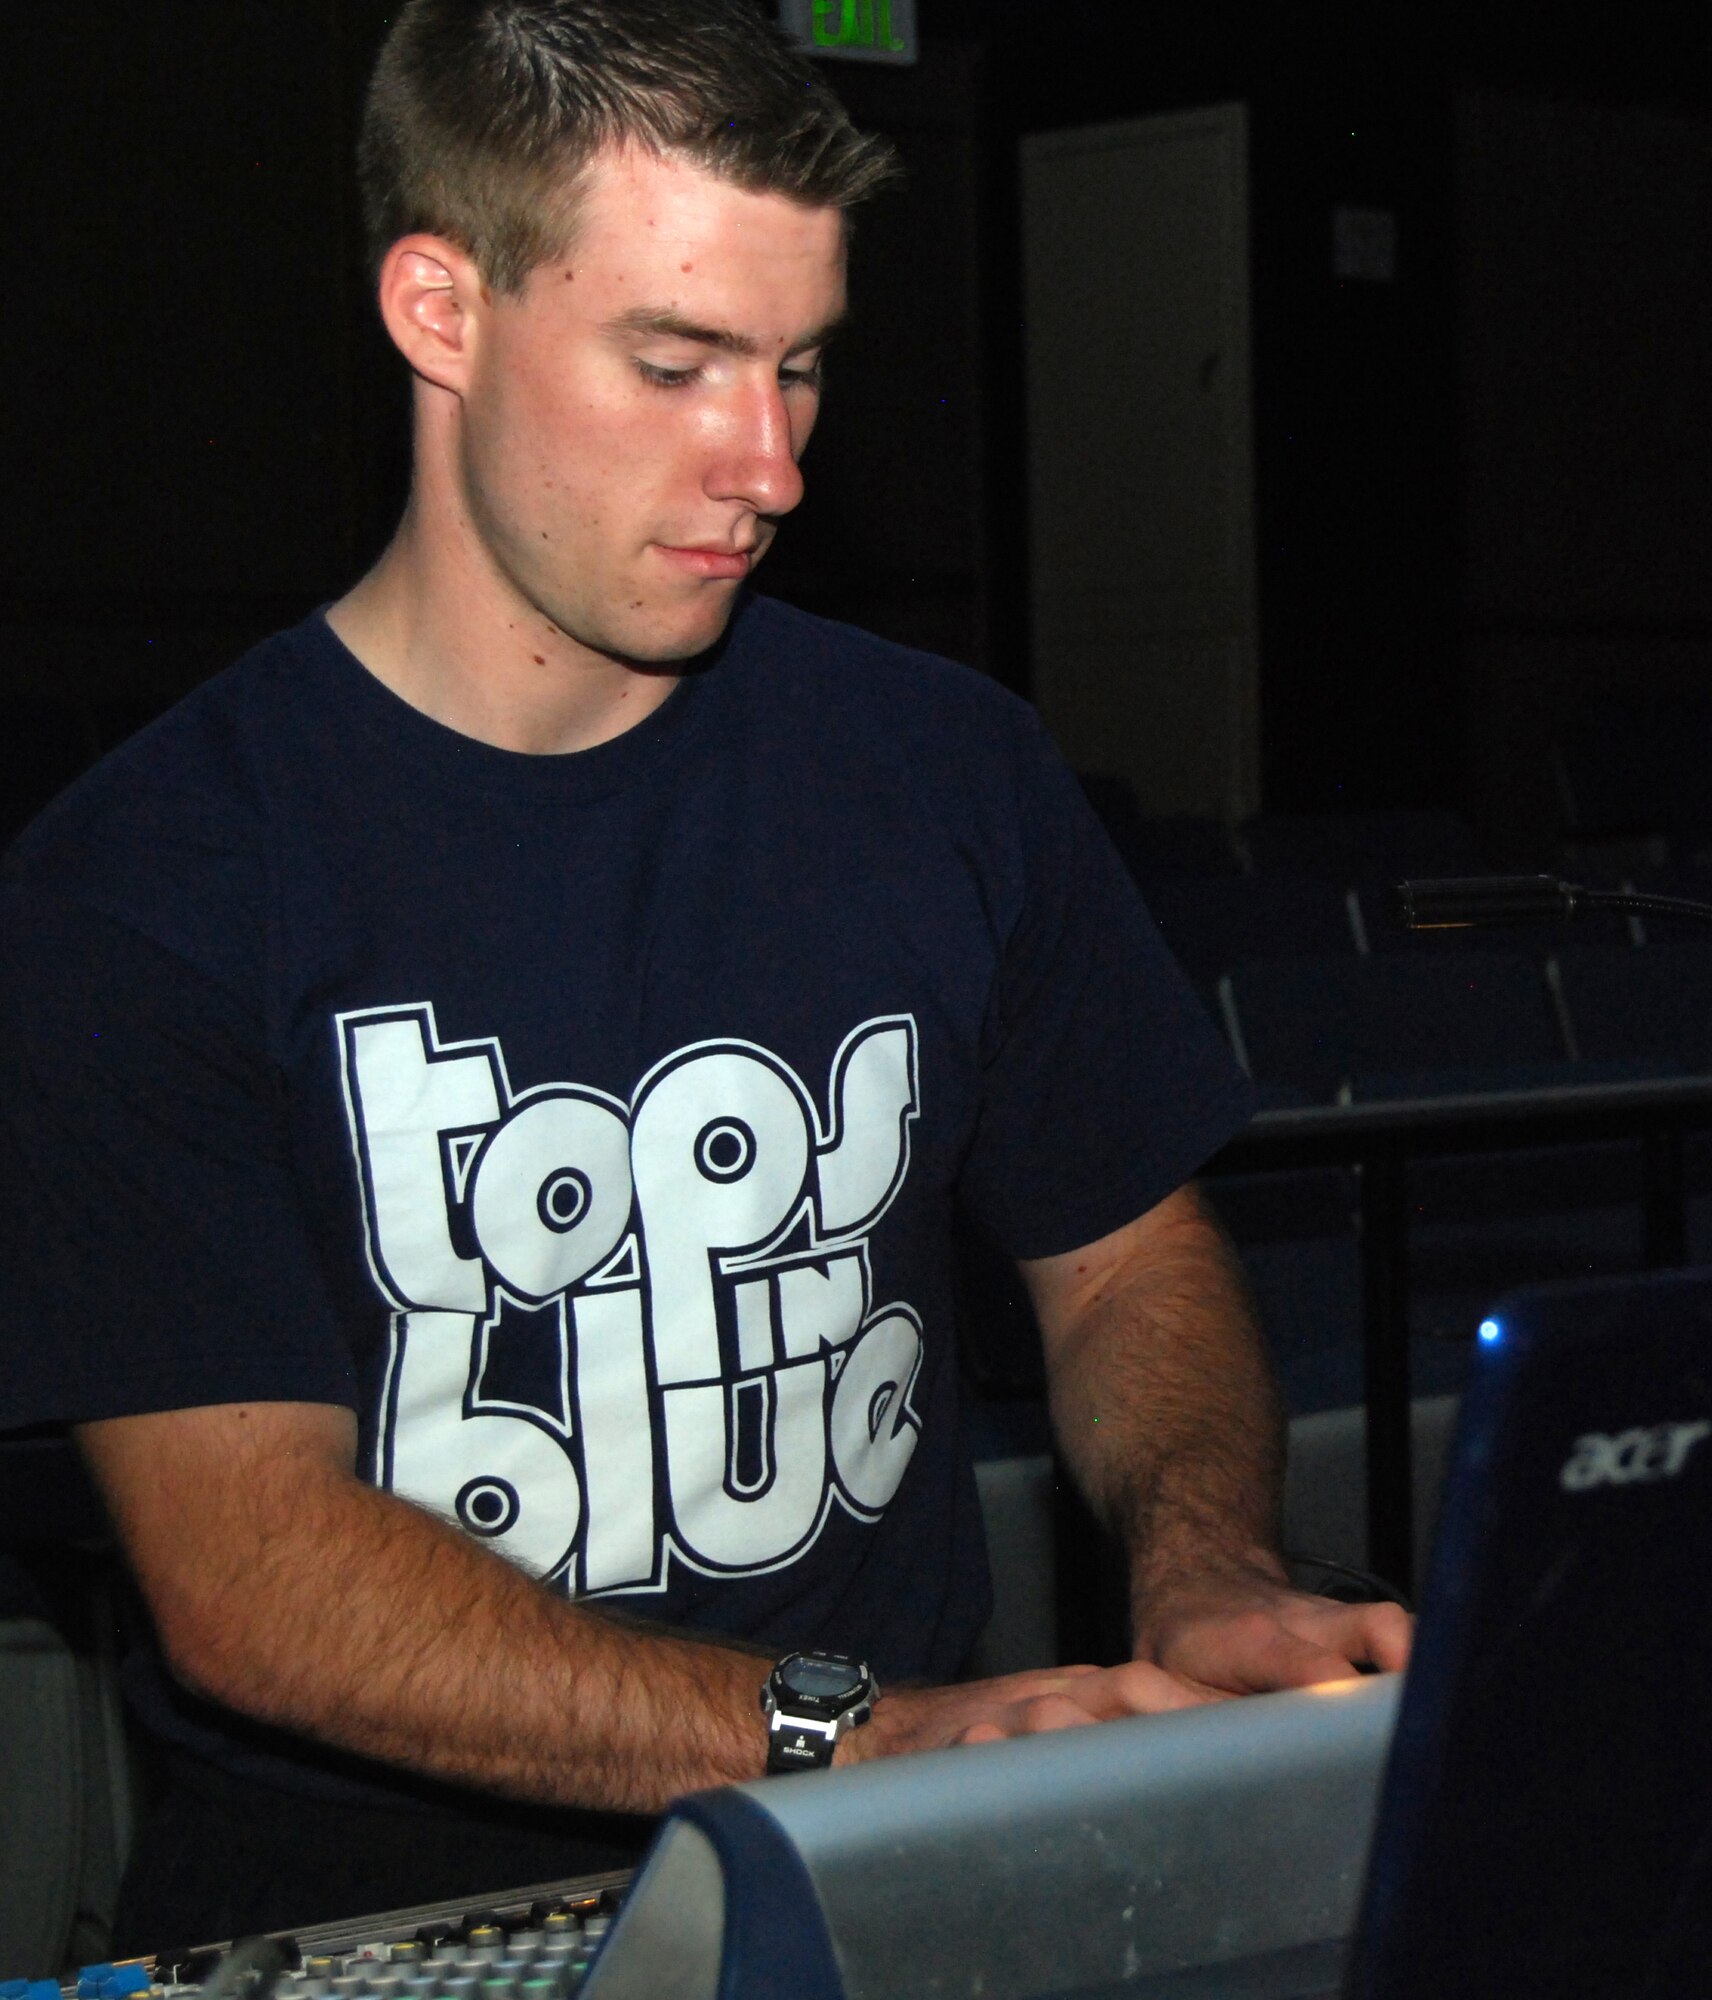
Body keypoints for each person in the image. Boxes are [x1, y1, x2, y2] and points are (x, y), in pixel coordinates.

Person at [0, 0, 1409, 1946]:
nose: (769, 465)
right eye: (675, 366)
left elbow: (1122, 1259)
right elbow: (257, 1574)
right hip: (391, 1910)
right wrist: (853, 1733)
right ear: (441, 310)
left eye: (800, 370)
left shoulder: (947, 771)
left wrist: (1206, 1568)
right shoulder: (148, 885)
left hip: (892, 1859)